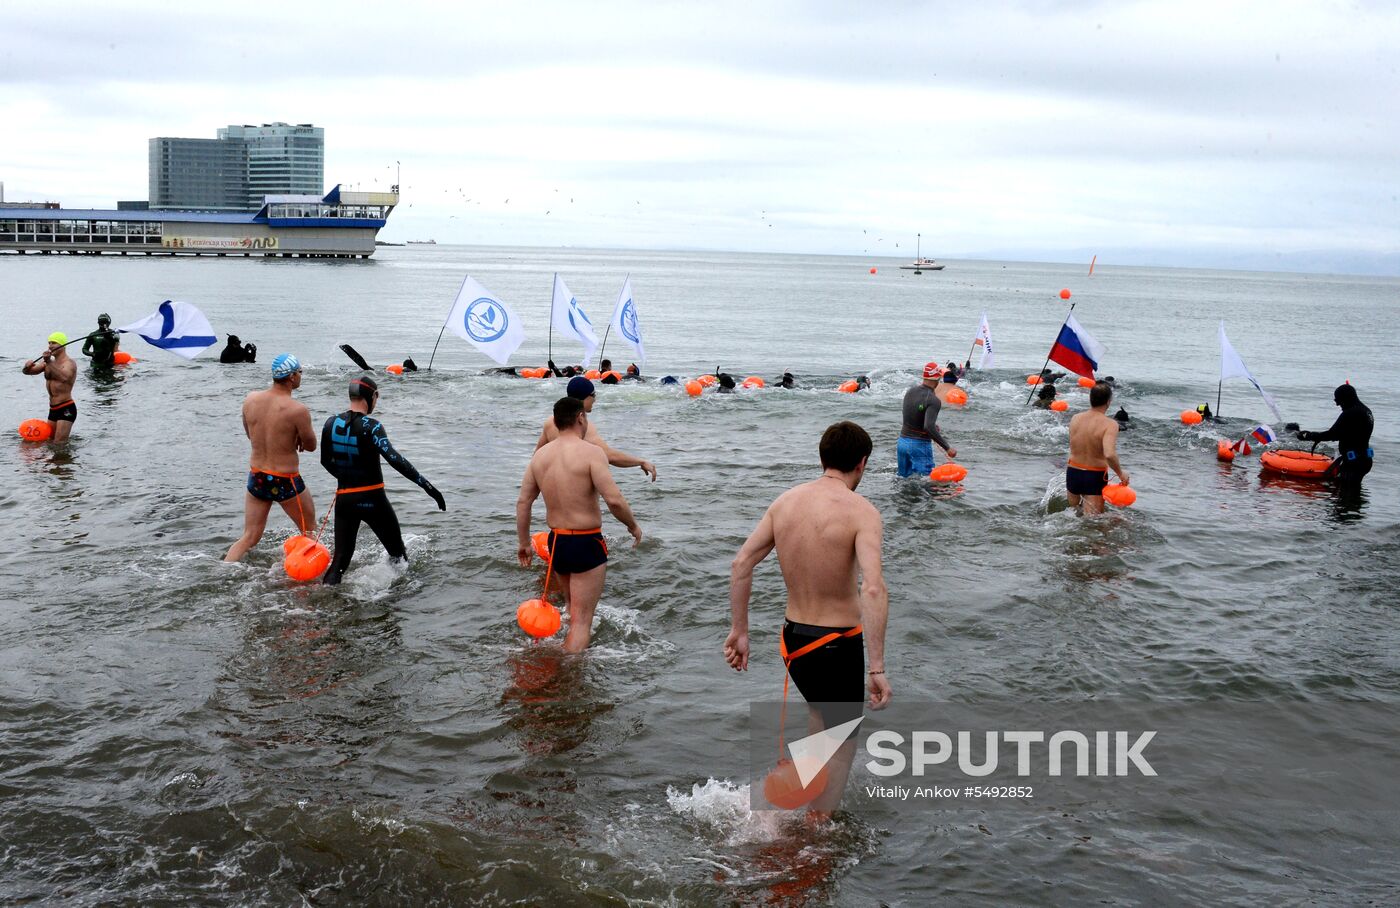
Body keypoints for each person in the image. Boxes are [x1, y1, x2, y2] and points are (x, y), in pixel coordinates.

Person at [725, 420, 891, 820]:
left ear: (823, 458)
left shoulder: (785, 502)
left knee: (822, 725)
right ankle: (814, 841)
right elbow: (872, 588)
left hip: (794, 643)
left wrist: (740, 631)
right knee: (842, 742)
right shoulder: (862, 512)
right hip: (836, 645)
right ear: (862, 463)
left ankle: (782, 817)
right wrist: (878, 667)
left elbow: (741, 563)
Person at [517, 396, 643, 653]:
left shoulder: (540, 457)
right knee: (582, 623)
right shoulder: (591, 453)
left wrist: (523, 543)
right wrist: (632, 526)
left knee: (571, 610)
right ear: (580, 418)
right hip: (586, 542)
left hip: (557, 542)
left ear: (556, 421)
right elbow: (614, 500)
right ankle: (568, 679)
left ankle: (559, 657)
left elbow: (523, 503)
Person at [320, 376, 445, 585]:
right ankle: (398, 603)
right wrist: (428, 488)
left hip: (344, 501)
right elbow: (395, 459)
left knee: (339, 563)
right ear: (373, 396)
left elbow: (325, 461)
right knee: (399, 558)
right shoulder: (372, 426)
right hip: (373, 500)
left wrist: (348, 478)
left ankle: (326, 604)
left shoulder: (330, 423)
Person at [224, 354, 318, 562]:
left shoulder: (251, 399)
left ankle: (224, 570)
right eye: (300, 372)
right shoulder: (297, 410)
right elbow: (311, 446)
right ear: (292, 376)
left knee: (249, 537)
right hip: (286, 480)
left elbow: (250, 434)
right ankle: (306, 581)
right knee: (310, 532)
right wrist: (295, 439)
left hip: (257, 476)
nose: (301, 376)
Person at [534, 376, 658, 481]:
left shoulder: (550, 422)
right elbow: (609, 456)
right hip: (578, 486)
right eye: (593, 395)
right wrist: (640, 462)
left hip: (556, 485)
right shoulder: (581, 427)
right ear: (585, 397)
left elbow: (536, 458)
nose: (595, 399)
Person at [1066, 382, 1130, 515]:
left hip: (1073, 471)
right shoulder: (1110, 424)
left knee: (1073, 515)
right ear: (1108, 402)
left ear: (1090, 399)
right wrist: (1120, 473)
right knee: (1093, 524)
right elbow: (1109, 454)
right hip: (1094, 475)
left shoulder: (1075, 418)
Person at [1297, 383, 1374, 490]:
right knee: (1352, 496)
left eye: (1338, 400)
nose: (1337, 404)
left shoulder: (1351, 413)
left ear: (1346, 398)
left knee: (1346, 500)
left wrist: (1309, 435)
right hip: (1363, 460)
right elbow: (1346, 434)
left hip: (1354, 464)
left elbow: (1332, 434)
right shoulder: (1366, 411)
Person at [897, 362, 956, 477]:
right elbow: (928, 427)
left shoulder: (910, 392)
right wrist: (947, 448)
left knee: (902, 480)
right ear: (937, 378)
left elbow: (911, 415)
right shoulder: (933, 400)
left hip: (902, 442)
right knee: (926, 483)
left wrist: (932, 426)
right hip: (919, 445)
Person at [21, 332, 79, 443]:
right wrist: (26, 367)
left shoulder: (69, 363)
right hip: (53, 409)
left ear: (62, 345)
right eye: (49, 343)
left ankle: (65, 460)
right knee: (49, 441)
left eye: (54, 343)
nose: (50, 346)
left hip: (66, 407)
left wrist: (48, 361)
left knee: (59, 444)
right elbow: (29, 372)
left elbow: (64, 378)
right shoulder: (47, 363)